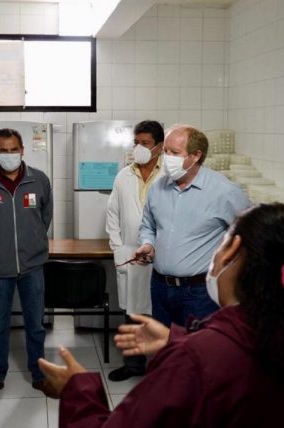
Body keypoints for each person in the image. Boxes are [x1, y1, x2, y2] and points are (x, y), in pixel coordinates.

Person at [39, 203, 284, 428]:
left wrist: (77, 389)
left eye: (221, 239)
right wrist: (178, 341)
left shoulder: (195, 360)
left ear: (232, 249)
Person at [135, 124, 251, 327]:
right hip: (160, 287)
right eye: (165, 151)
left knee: (198, 345)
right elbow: (148, 226)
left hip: (199, 293)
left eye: (174, 153)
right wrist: (148, 244)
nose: (167, 158)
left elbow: (250, 235)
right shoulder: (158, 188)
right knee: (162, 345)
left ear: (196, 155)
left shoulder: (224, 192)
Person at [0, 128, 57, 402]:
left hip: (33, 266)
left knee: (36, 325)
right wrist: (1, 247)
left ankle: (39, 375)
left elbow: (45, 218)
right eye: (3, 150)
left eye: (13, 149)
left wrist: (31, 243)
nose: (9, 154)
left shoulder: (39, 180)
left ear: (22, 150)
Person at [105, 120, 164, 382]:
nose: (139, 147)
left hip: (161, 258)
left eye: (145, 143)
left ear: (159, 146)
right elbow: (112, 215)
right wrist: (118, 249)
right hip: (130, 255)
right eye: (136, 142)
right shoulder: (123, 176)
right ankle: (133, 366)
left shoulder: (169, 176)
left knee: (160, 315)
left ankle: (162, 369)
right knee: (132, 314)